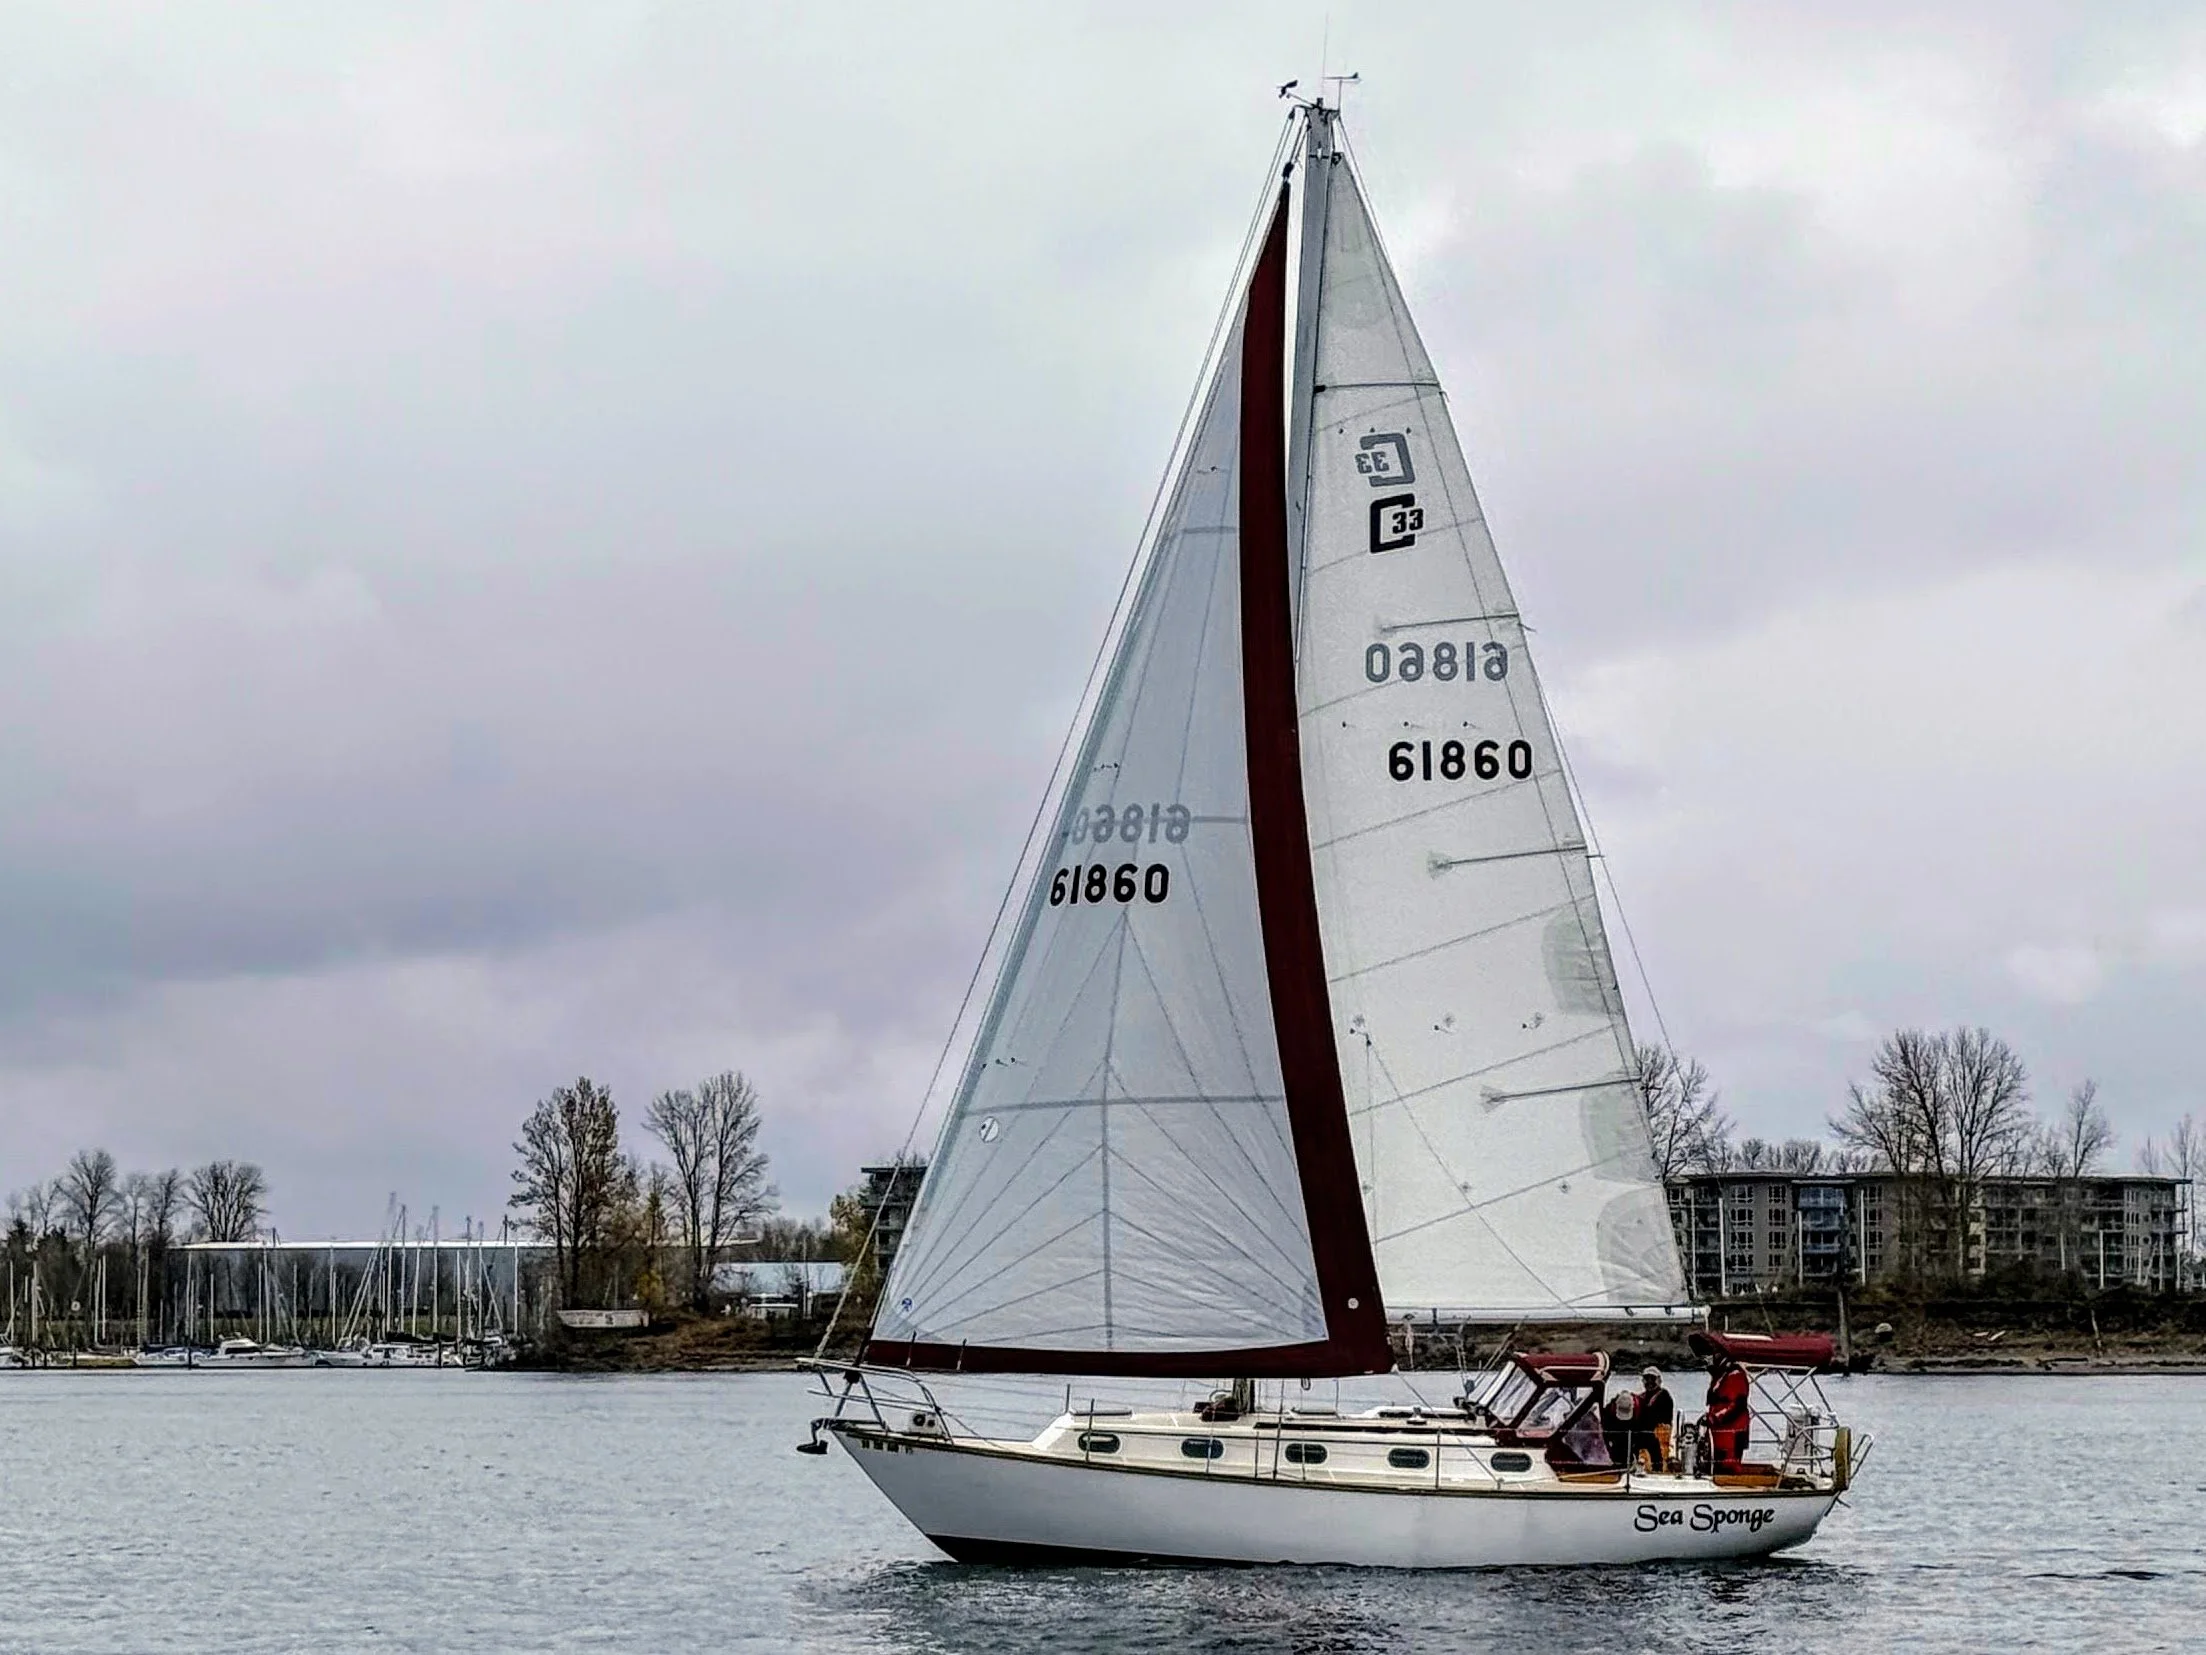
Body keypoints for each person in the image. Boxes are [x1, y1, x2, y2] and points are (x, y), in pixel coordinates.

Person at [1705, 1351, 1751, 1473]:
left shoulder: (1735, 1375)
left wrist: (1716, 1418)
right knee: (1717, 1460)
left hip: (1733, 1429)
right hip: (1720, 1429)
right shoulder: (1720, 1376)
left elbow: (1737, 1406)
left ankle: (1730, 1477)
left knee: (1729, 1464)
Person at [1635, 1365, 1677, 1471]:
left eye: (1652, 1378)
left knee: (1657, 1456)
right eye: (1646, 1378)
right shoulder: (1641, 1397)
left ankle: (1658, 1468)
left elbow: (1655, 1415)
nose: (1649, 1381)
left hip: (1659, 1434)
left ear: (1658, 1380)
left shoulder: (1664, 1396)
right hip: (1644, 1434)